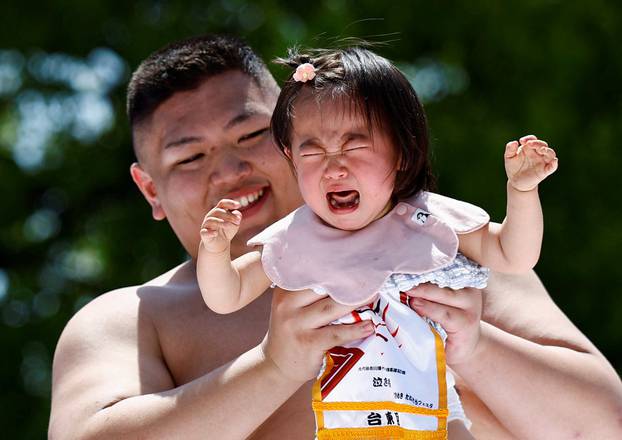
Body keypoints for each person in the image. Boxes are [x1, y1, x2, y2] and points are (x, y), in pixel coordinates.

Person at [48, 34, 622, 440]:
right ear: (150, 191)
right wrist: (272, 368)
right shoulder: (134, 319)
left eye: (251, 134)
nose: (229, 172)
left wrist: (476, 347)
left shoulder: (439, 248)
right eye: (191, 157)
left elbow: (602, 426)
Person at [196, 46, 557, 439]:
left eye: (353, 146)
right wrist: (214, 251)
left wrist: (521, 193)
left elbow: (514, 255)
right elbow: (225, 296)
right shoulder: (295, 237)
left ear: (401, 150)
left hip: (433, 403)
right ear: (290, 159)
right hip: (343, 413)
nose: (334, 167)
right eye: (311, 151)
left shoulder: (427, 219)